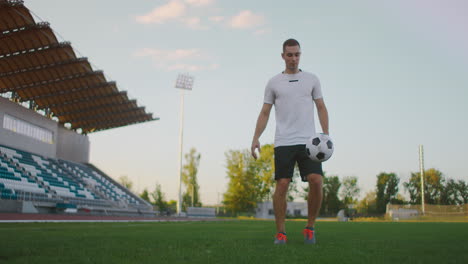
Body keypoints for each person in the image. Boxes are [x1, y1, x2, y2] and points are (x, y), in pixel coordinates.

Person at [251, 38, 329, 245]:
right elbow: (265, 112)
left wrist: (325, 134)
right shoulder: (273, 82)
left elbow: (321, 107)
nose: (294, 59)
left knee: (316, 180)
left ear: (300, 55)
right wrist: (256, 138)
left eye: (297, 55)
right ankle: (281, 233)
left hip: (309, 142)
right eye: (290, 55)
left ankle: (310, 228)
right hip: (284, 141)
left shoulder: (312, 79)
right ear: (283, 56)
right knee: (282, 184)